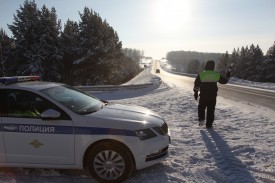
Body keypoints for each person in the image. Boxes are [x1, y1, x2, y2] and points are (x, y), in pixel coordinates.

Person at [193, 60, 230, 129]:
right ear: (213, 66)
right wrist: (228, 73)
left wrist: (195, 92)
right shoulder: (216, 74)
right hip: (212, 96)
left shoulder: (201, 74)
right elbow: (225, 81)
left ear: (206, 66)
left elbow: (196, 85)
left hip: (203, 95)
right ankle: (209, 124)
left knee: (201, 108)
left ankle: (201, 119)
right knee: (211, 110)